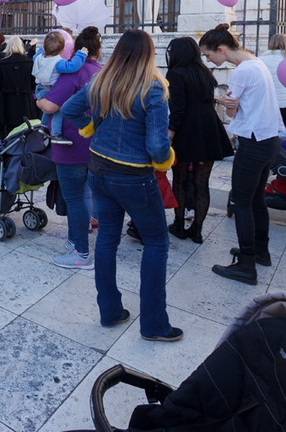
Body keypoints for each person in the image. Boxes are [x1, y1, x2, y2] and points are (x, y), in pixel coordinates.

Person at [62, 29, 181, 342]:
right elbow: (157, 146)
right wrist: (166, 159)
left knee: (107, 239)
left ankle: (110, 311)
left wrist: (90, 128)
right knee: (156, 243)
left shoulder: (101, 80)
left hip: (98, 168)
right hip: (133, 176)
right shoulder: (153, 89)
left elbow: (68, 109)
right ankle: (154, 324)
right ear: (149, 54)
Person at [200, 24, 284, 285]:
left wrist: (225, 103)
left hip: (254, 141)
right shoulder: (255, 63)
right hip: (268, 139)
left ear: (221, 49)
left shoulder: (242, 71)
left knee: (242, 203)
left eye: (208, 54)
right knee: (256, 199)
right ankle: (261, 252)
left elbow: (233, 111)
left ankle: (247, 265)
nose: (208, 60)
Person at [36, 26, 103, 269]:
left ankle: (80, 252)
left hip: (70, 144)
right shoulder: (103, 72)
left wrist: (38, 100)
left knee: (75, 198)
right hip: (95, 145)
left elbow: (51, 106)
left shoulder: (73, 74)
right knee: (85, 194)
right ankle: (76, 241)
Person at [164, 37, 233, 244]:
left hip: (187, 131)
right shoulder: (204, 72)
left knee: (180, 181)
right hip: (209, 130)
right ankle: (197, 230)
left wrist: (170, 134)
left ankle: (179, 225)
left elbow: (178, 110)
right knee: (202, 184)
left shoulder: (175, 74)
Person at [33, 30, 89, 144]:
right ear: (63, 50)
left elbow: (37, 53)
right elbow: (72, 67)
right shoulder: (57, 63)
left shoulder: (38, 57)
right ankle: (56, 134)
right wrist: (81, 54)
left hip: (39, 88)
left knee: (47, 109)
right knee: (58, 110)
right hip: (49, 88)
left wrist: (41, 48)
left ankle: (43, 126)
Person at [0, 35, 39, 139]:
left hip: (7, 101)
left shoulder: (1, 64)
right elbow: (34, 83)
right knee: (26, 129)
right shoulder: (29, 62)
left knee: (9, 131)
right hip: (25, 100)